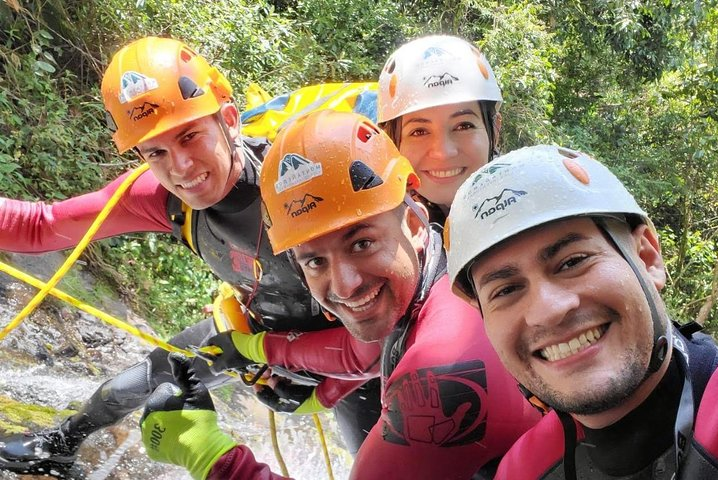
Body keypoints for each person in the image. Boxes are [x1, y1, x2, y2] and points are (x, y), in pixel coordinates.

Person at [0, 36, 381, 477]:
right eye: (156, 152)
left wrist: (327, 387)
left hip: (359, 353)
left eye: (190, 136)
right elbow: (41, 225)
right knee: (144, 379)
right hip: (259, 334)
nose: (180, 166)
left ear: (229, 120)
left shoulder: (300, 176)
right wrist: (262, 350)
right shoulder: (159, 198)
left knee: (377, 463)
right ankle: (57, 447)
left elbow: (388, 319)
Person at [139, 110, 541, 480]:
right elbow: (361, 356)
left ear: (414, 221)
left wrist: (206, 454)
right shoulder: (436, 284)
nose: (345, 285)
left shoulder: (445, 367)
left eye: (362, 244)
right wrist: (283, 372)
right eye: (315, 262)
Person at [444, 145, 718, 479]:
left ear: (647, 258)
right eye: (506, 290)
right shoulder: (524, 470)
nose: (547, 311)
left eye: (573, 262)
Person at [377, 35, 502, 222]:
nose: (443, 152)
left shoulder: (533, 210)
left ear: (495, 129)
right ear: (391, 142)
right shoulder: (379, 232)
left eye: (463, 126)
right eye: (419, 131)